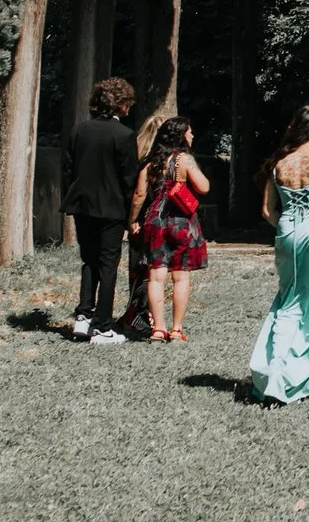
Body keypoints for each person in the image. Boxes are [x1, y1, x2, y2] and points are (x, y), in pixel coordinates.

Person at [247, 104, 309, 404]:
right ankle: (306, 380)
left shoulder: (279, 161)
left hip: (290, 231)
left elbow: (267, 210)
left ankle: (274, 371)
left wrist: (289, 225)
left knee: (289, 301)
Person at [61, 77, 141, 344]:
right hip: (112, 209)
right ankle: (102, 326)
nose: (129, 108)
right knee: (108, 265)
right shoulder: (125, 135)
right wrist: (133, 215)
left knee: (89, 261)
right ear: (120, 104)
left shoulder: (78, 131)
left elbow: (68, 170)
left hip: (82, 205)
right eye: (127, 103)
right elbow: (129, 178)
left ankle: (83, 317)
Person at [129, 117, 210, 343]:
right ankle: (176, 329)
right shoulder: (184, 160)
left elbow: (139, 195)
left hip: (155, 222)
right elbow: (204, 187)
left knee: (156, 277)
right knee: (180, 277)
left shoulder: (149, 163)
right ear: (181, 135)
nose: (192, 136)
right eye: (190, 132)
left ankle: (158, 329)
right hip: (181, 222)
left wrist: (132, 220)